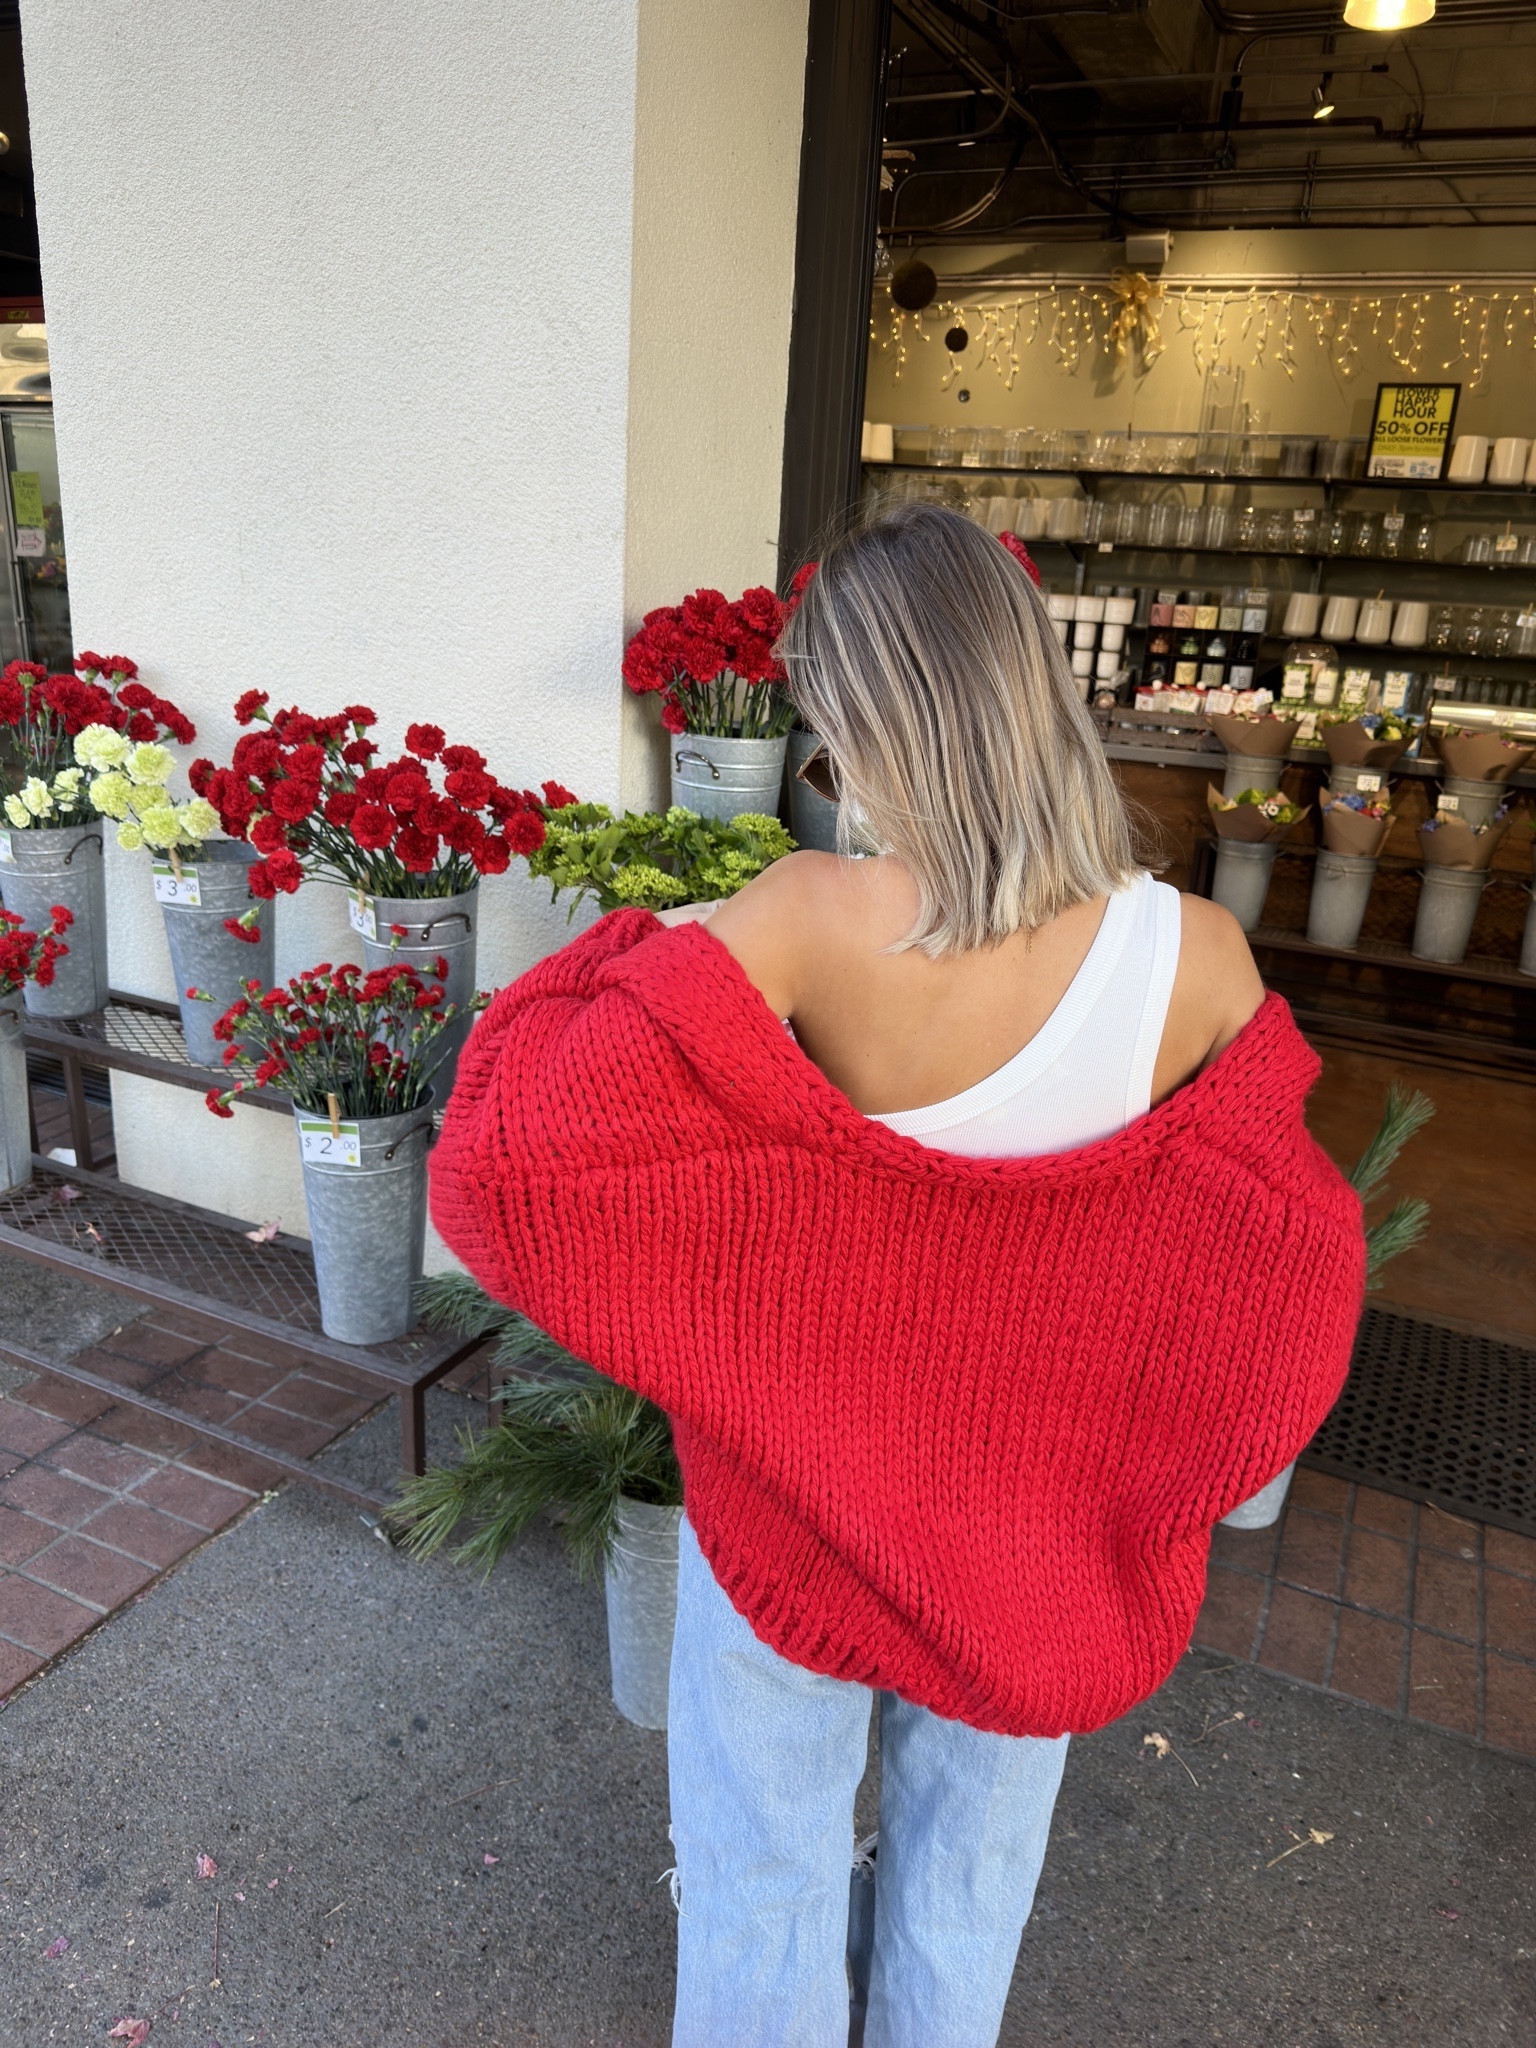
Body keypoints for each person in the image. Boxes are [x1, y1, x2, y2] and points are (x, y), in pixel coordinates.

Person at [431, 502, 1365, 2048]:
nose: (825, 761)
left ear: (876, 715)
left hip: (798, 1526)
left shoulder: (808, 918)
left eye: (827, 722)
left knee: (762, 1876)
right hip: (1043, 1549)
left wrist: (635, 943)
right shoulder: (1199, 957)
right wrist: (1157, 1472)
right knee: (973, 1880)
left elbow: (513, 1144)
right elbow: (1287, 1263)